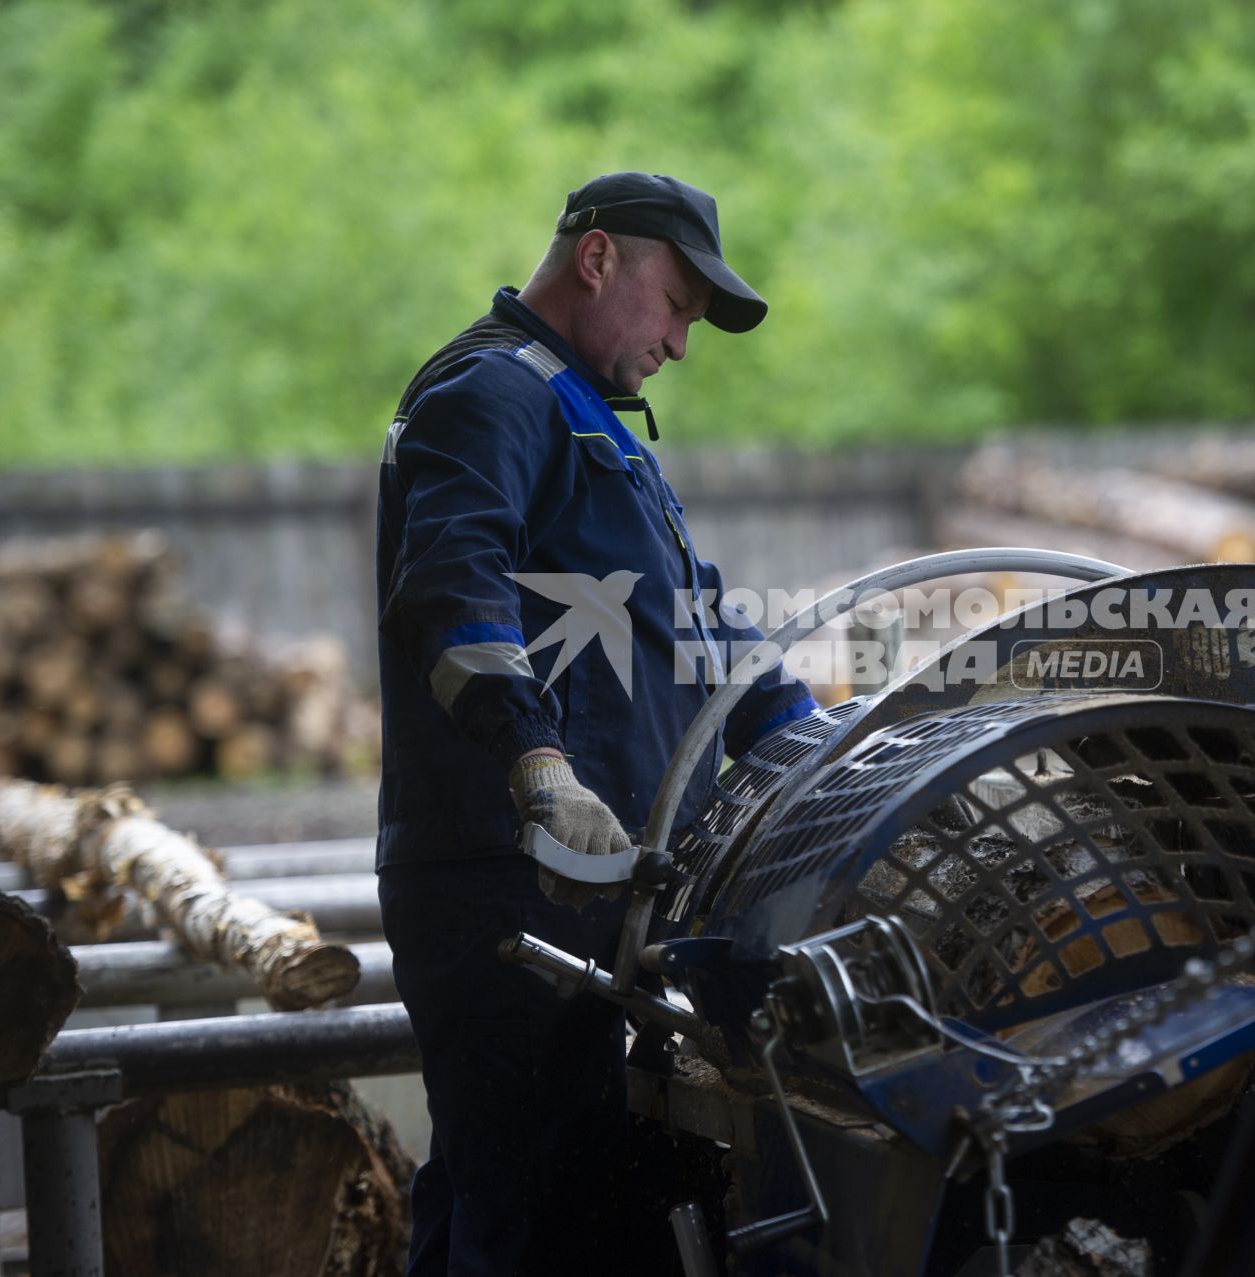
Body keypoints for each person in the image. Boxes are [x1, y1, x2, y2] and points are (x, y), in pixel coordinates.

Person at [374, 172, 817, 1275]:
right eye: (676, 305)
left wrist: (825, 745)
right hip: (505, 875)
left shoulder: (597, 427)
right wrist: (537, 765)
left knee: (505, 1186)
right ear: (599, 258)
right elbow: (452, 582)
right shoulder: (492, 392)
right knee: (527, 1205)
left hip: (594, 887)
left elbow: (706, 625)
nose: (679, 341)